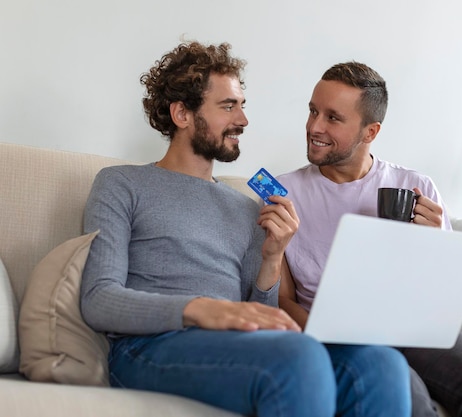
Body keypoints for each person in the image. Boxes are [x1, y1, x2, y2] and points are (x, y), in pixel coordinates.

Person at [80, 42, 412, 417]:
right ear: (182, 114)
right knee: (297, 357)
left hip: (233, 346)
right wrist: (201, 310)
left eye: (242, 105)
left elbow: (260, 316)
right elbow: (99, 299)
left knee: (379, 364)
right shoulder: (121, 184)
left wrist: (272, 259)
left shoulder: (245, 205)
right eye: (228, 106)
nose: (243, 120)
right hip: (149, 346)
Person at [277, 61, 462, 417]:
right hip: (339, 339)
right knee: (408, 395)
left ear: (370, 132)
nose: (314, 126)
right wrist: (325, 333)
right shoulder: (284, 193)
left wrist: (432, 247)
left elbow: (444, 297)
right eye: (312, 111)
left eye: (333, 118)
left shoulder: (415, 188)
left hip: (414, 332)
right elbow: (282, 299)